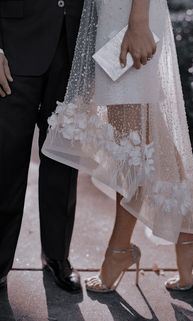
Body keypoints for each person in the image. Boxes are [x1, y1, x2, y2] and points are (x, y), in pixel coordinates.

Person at [43, 0, 193, 292]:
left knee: (133, 144)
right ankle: (187, 240)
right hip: (113, 14)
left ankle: (120, 250)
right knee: (142, 136)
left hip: (131, 18)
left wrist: (138, 21)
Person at [0, 0, 84, 292]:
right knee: (5, 158)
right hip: (13, 44)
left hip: (74, 42)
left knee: (63, 159)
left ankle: (56, 256)